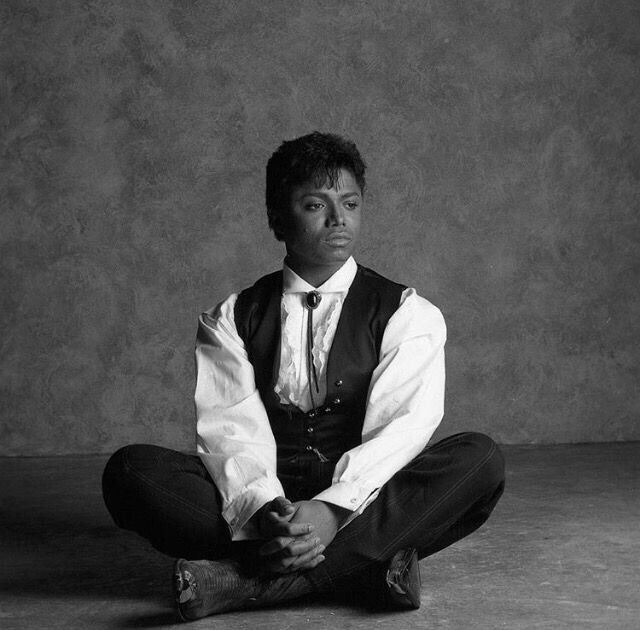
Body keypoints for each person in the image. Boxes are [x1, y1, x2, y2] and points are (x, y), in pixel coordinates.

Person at [102, 131, 505, 621]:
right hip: (266, 499)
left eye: (351, 203)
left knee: (479, 459)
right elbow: (231, 429)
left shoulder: (407, 312)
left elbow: (399, 432)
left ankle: (243, 583)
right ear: (277, 219)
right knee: (130, 473)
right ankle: (366, 568)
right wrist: (265, 509)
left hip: (365, 495)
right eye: (316, 204)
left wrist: (333, 510)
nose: (339, 219)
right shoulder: (232, 316)